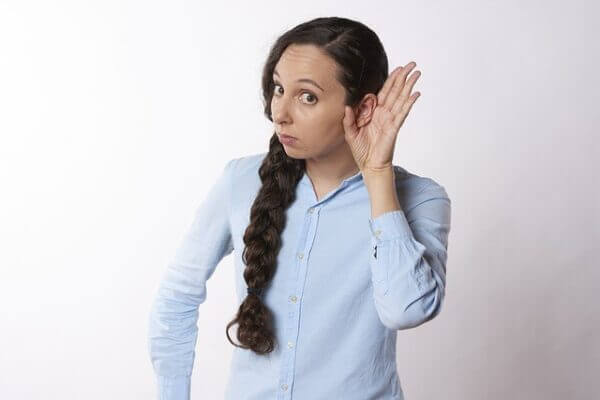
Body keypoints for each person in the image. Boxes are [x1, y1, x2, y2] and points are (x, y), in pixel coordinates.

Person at [148, 16, 451, 400]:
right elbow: (178, 294)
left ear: (363, 108)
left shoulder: (422, 199)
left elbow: (406, 310)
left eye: (307, 96)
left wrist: (377, 176)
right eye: (278, 89)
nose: (281, 113)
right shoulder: (240, 181)